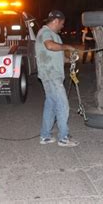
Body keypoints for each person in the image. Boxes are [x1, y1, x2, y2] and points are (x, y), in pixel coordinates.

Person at [35, 10, 79, 147]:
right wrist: (67, 47)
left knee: (51, 105)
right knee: (63, 105)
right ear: (55, 21)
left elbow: (55, 55)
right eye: (62, 23)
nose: (62, 26)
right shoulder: (46, 32)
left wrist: (68, 59)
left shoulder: (52, 35)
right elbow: (50, 46)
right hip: (51, 75)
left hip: (50, 74)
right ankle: (64, 138)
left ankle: (45, 136)